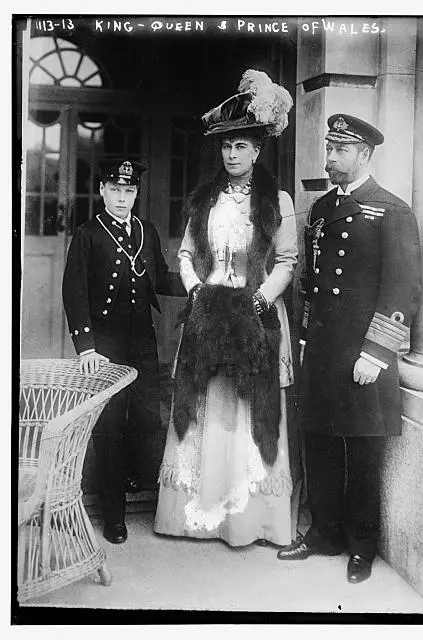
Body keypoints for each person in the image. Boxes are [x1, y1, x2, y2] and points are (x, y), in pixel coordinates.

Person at [154, 70, 297, 547]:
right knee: (203, 405)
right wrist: (196, 291)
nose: (232, 154)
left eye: (240, 146)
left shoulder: (277, 201)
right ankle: (198, 515)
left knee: (248, 407)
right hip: (207, 311)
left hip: (255, 314)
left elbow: (287, 261)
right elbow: (185, 255)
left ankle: (248, 521)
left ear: (257, 150)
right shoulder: (205, 200)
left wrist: (260, 299)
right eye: (226, 146)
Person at [277, 114, 422, 584]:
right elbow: (311, 284)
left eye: (340, 150)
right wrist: (302, 341)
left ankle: (361, 546)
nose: (331, 157)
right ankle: (324, 532)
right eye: (329, 148)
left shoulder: (390, 210)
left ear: (364, 154)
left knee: (362, 453)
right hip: (322, 351)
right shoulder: (320, 210)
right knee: (319, 443)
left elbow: (402, 288)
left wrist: (376, 353)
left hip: (363, 355)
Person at [62, 158, 186, 544]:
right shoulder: (88, 233)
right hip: (106, 342)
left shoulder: (145, 230)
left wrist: (200, 282)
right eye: (115, 189)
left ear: (136, 193)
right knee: (110, 423)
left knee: (148, 414)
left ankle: (136, 478)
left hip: (142, 338)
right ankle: (113, 513)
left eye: (129, 190)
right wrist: (86, 347)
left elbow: (161, 278)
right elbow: (74, 291)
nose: (122, 197)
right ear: (102, 190)